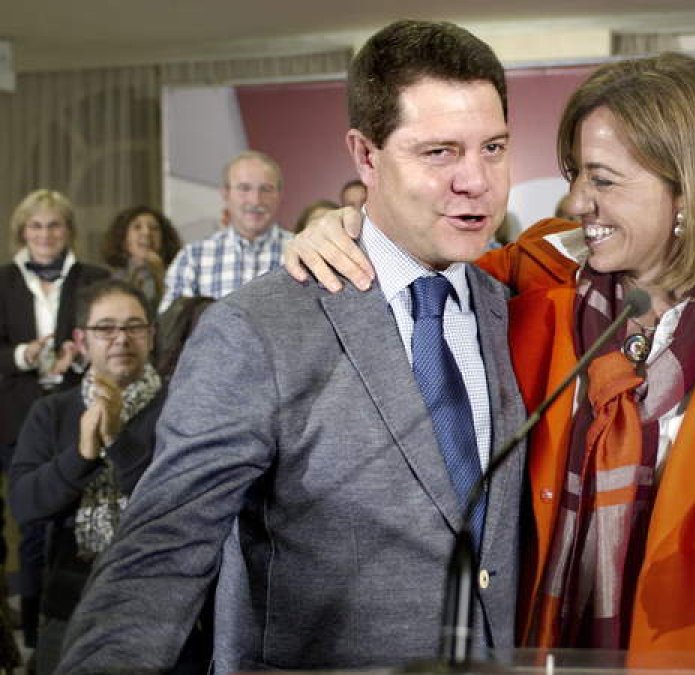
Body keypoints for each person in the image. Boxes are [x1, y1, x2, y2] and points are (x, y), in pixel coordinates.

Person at [287, 52, 695, 656]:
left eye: (602, 180)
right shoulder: (536, 269)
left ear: (689, 191)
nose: (576, 202)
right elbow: (414, 268)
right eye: (574, 175)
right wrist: (345, 231)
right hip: (545, 643)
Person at [57, 20, 526, 672]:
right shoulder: (258, 328)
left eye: (495, 147)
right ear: (365, 156)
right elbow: (162, 549)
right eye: (440, 153)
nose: (477, 180)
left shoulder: (517, 308)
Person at [10, 280, 164, 674]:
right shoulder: (52, 412)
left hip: (162, 598)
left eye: (133, 326)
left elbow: (174, 505)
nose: (120, 339)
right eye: (105, 328)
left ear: (151, 334)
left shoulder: (179, 405)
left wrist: (118, 439)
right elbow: (26, 505)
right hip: (72, 598)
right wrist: (83, 454)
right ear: (81, 339)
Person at [0, 189, 109, 649]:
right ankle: (29, 633)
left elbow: (108, 338)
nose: (45, 235)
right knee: (30, 527)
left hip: (76, 417)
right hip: (15, 420)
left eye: (55, 225)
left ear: (69, 231)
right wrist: (25, 355)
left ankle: (77, 630)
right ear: (22, 232)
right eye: (36, 226)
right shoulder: (2, 281)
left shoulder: (93, 278)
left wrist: (81, 357)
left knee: (75, 528)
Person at [157, 150, 294, 312]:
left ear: (279, 195)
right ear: (225, 194)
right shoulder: (193, 257)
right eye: (244, 188)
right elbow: (171, 327)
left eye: (266, 189)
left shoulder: (303, 254)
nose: (255, 199)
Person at [100, 205, 183, 311]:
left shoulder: (180, 275)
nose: (146, 233)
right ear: (123, 239)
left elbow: (178, 313)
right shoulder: (108, 278)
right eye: (137, 227)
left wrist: (160, 275)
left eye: (154, 228)